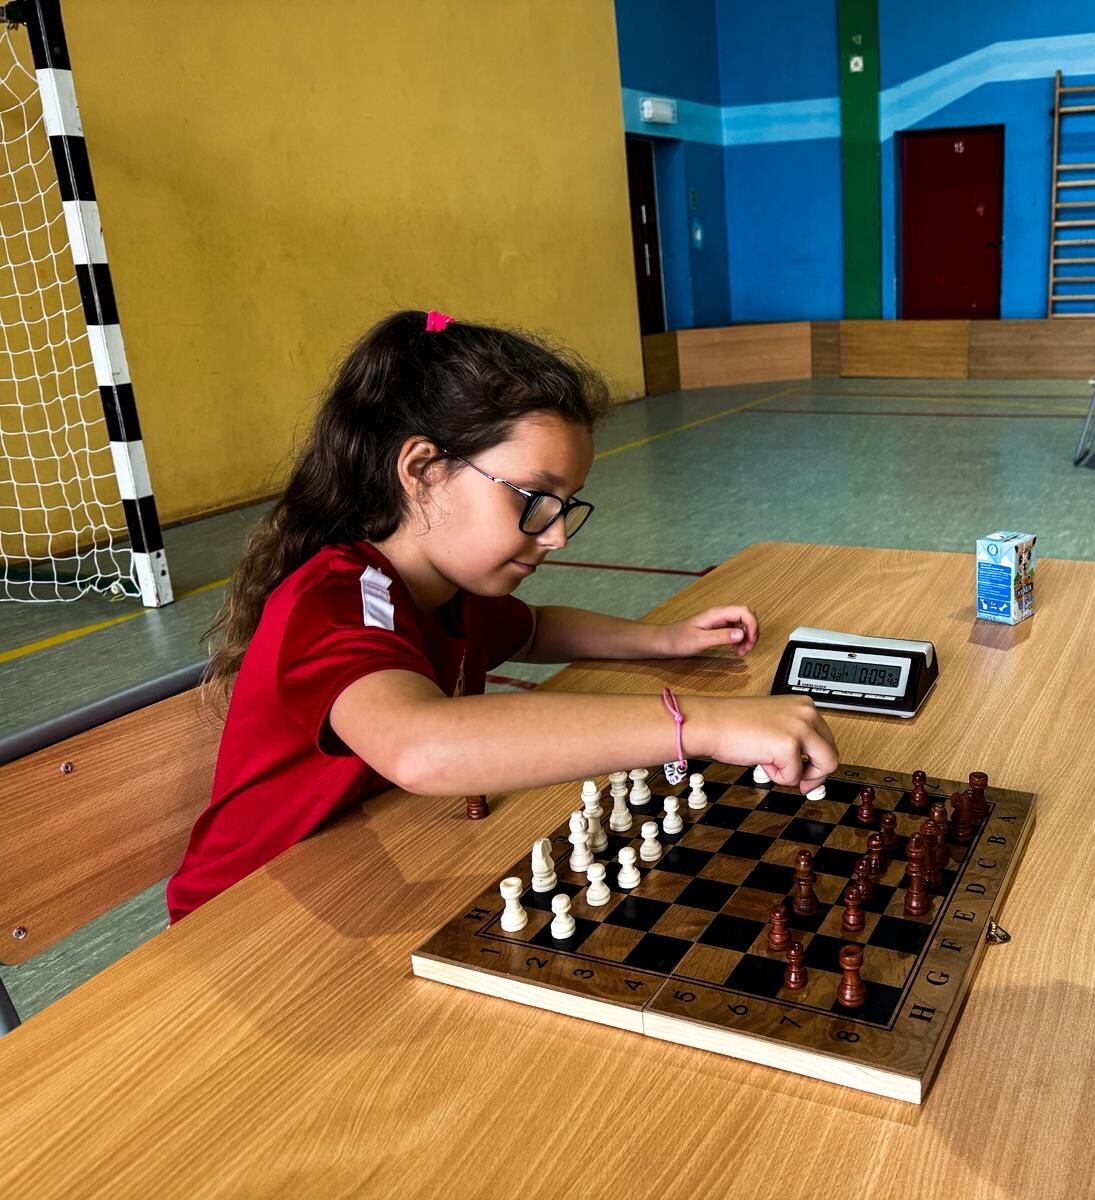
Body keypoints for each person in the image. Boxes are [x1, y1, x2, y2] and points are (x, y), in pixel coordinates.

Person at [167, 310, 836, 921]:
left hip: (359, 874)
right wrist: (704, 725)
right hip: (239, 920)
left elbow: (538, 628)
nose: (557, 534)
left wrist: (665, 639)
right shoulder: (334, 602)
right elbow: (421, 749)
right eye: (534, 498)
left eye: (566, 504)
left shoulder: (453, 591)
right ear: (423, 470)